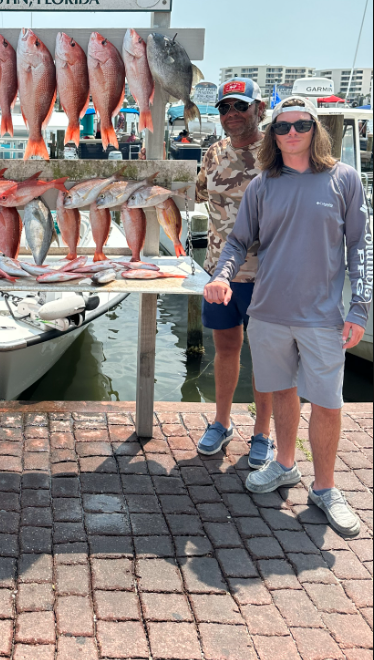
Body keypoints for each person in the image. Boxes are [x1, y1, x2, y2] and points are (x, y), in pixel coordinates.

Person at [204, 96, 372, 537]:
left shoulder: (344, 179)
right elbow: (239, 242)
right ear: (273, 135)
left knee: (328, 402)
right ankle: (284, 464)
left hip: (322, 316)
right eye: (283, 127)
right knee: (281, 391)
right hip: (268, 311)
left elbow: (361, 247)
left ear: (316, 131)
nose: (292, 133)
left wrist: (360, 307)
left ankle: (326, 487)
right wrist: (222, 274)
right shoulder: (263, 184)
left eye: (301, 125)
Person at [195, 78, 274, 468]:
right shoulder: (213, 153)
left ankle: (263, 433)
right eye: (225, 107)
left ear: (258, 107)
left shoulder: (277, 153)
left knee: (266, 356)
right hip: (220, 276)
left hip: (268, 275)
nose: (231, 114)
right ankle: (221, 422)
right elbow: (197, 193)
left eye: (240, 106)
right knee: (225, 350)